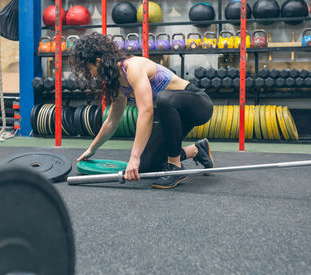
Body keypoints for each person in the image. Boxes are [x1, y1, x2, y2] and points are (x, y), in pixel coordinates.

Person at [70, 33, 214, 189]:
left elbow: (146, 112)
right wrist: (92, 149)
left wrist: (134, 156)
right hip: (172, 118)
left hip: (198, 105)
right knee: (146, 165)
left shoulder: (133, 67)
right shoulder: (116, 82)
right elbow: (112, 120)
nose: (90, 74)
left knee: (163, 99)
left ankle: (175, 167)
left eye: (89, 69)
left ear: (98, 62)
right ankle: (197, 150)